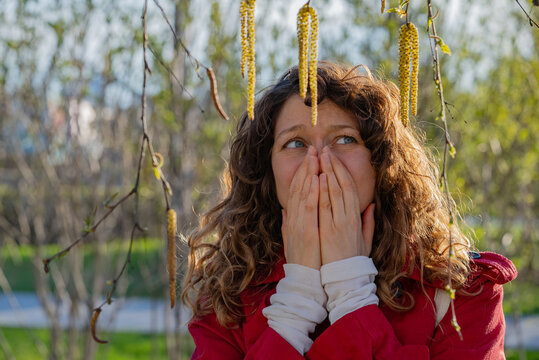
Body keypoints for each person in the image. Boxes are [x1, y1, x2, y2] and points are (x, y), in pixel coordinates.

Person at [182, 62, 517, 359]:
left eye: (344, 139)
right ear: (267, 172)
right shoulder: (229, 293)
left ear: (381, 162)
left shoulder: (462, 289)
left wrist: (351, 293)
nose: (320, 163)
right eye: (295, 143)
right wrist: (296, 301)